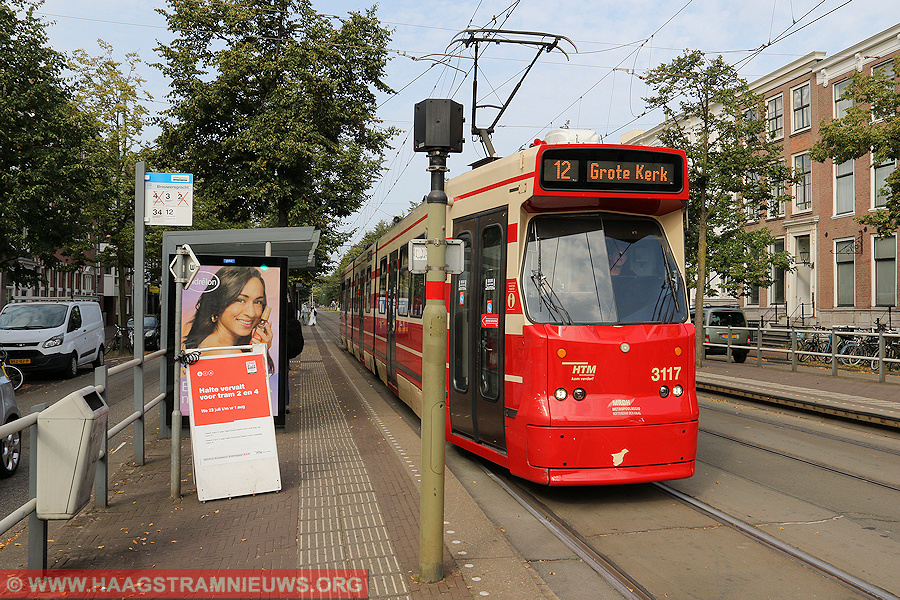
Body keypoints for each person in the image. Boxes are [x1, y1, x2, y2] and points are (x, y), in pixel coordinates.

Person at [183, 266, 274, 370]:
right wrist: (259, 355)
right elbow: (255, 381)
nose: (251, 313)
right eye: (240, 300)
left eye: (257, 302)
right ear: (218, 303)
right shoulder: (229, 353)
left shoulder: (211, 343)